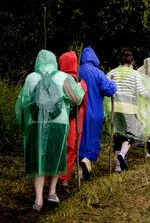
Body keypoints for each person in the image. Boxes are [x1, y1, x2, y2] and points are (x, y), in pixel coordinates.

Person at [15, 50, 85, 211]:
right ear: (54, 61)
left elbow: (22, 103)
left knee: (38, 160)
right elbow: (76, 98)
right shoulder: (63, 77)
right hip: (58, 123)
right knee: (56, 157)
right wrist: (79, 87)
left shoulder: (31, 78)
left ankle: (38, 199)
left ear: (38, 61)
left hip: (35, 124)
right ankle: (52, 193)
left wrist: (22, 125)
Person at [106, 48, 150, 172]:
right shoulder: (134, 74)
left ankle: (117, 167)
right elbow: (141, 91)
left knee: (118, 134)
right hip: (130, 108)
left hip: (115, 108)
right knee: (130, 135)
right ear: (131, 61)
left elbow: (108, 87)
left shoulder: (113, 72)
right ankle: (122, 154)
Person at [78, 46, 117, 180]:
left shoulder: (76, 72)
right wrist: (113, 83)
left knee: (79, 138)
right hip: (94, 112)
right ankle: (87, 160)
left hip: (78, 112)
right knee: (93, 138)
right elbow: (110, 89)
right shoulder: (97, 72)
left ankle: (81, 168)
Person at [57, 51, 88, 193]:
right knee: (70, 149)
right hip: (74, 121)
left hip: (56, 121)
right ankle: (63, 180)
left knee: (58, 150)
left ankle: (54, 179)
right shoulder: (78, 83)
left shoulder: (55, 79)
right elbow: (82, 102)